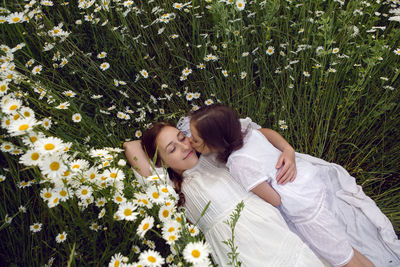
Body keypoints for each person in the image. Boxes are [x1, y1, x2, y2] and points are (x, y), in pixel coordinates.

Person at [188, 104, 400, 267]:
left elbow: (274, 199)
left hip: (303, 209)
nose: (190, 142)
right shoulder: (248, 135)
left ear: (215, 142)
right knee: (343, 247)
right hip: (309, 186)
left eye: (195, 140)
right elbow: (267, 133)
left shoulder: (238, 163)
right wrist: (286, 151)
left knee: (341, 257)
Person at [123, 122, 327, 267]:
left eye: (182, 137)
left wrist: (288, 150)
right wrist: (150, 146)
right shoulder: (170, 188)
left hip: (270, 227)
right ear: (161, 163)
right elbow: (130, 146)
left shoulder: (213, 154)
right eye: (172, 148)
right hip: (237, 247)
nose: (185, 146)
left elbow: (259, 134)